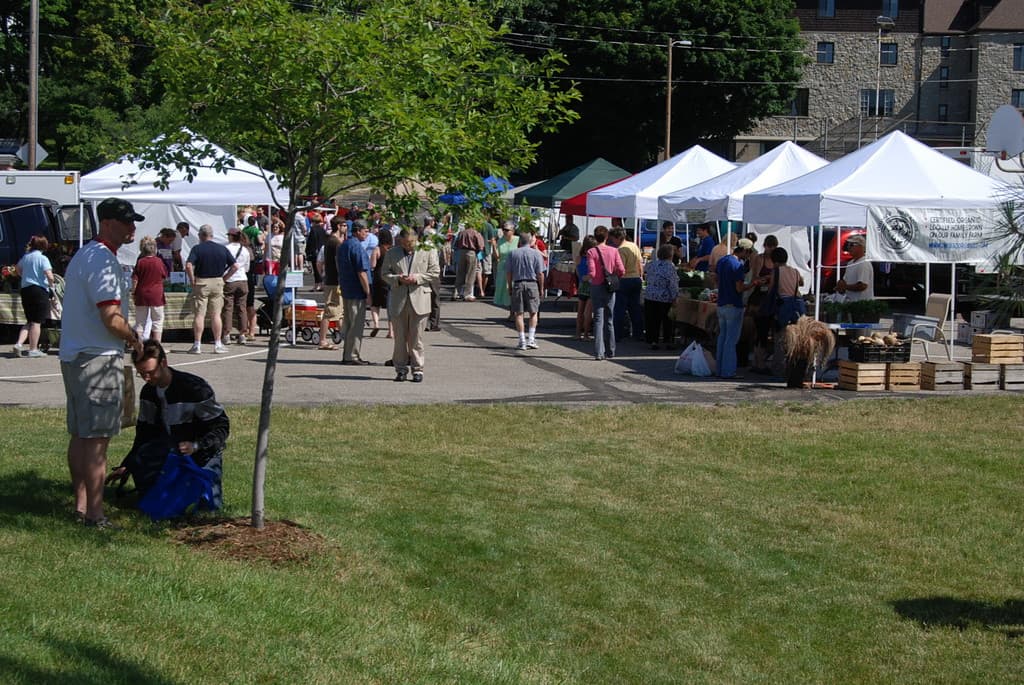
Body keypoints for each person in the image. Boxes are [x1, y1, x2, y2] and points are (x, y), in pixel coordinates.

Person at [59, 197, 145, 528]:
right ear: (106, 223)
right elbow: (111, 318)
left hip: (77, 354)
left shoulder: (85, 255)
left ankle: (81, 507)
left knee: (82, 435)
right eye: (126, 222)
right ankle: (95, 514)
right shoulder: (104, 261)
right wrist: (134, 337)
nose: (132, 228)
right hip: (97, 357)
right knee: (96, 440)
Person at [106, 340, 228, 511]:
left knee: (207, 508)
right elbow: (144, 434)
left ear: (163, 362)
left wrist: (196, 445)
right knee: (156, 505)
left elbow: (221, 426)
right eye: (141, 373)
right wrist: (128, 464)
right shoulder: (148, 392)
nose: (146, 378)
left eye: (150, 372)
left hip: (203, 453)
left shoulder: (195, 389)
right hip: (170, 452)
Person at [381, 228, 441, 382]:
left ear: (417, 239)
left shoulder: (428, 250)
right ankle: (400, 369)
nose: (409, 246)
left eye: (412, 242)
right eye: (406, 243)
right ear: (400, 240)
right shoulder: (392, 253)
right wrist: (398, 279)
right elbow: (384, 274)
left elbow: (435, 272)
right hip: (399, 299)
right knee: (400, 338)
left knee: (416, 338)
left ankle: (418, 369)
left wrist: (417, 278)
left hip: (420, 299)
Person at [185, 225, 238, 354]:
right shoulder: (222, 248)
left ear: (201, 235)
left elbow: (188, 265)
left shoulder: (197, 249)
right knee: (216, 315)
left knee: (199, 315)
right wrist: (224, 278)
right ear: (212, 235)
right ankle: (218, 343)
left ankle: (197, 344)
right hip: (217, 281)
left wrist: (192, 280)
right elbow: (235, 266)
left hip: (202, 282)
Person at [715, 238, 762, 379]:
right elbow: (739, 288)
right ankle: (728, 371)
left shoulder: (723, 261)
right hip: (733, 305)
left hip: (722, 304)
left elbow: (715, 278)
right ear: (745, 251)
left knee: (722, 338)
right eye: (748, 253)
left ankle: (720, 369)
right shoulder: (737, 265)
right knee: (731, 340)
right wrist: (754, 283)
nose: (749, 256)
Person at [585, 226, 625, 361]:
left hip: (596, 287)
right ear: (607, 236)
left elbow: (592, 273)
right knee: (609, 319)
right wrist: (614, 277)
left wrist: (586, 278)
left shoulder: (591, 252)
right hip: (610, 287)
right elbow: (621, 270)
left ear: (595, 237)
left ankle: (598, 352)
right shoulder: (614, 251)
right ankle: (611, 350)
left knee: (598, 319)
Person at [336, 219, 373, 365]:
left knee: (349, 323)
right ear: (358, 231)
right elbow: (361, 272)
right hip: (356, 291)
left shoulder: (344, 245)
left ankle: (348, 354)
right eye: (365, 230)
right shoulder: (356, 247)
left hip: (347, 288)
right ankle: (352, 356)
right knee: (356, 326)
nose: (367, 233)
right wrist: (368, 292)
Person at [12, 235, 55, 358]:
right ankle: (33, 349)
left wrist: (25, 277)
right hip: (39, 290)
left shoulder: (26, 257)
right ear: (43, 246)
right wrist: (52, 285)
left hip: (26, 289)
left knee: (29, 320)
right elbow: (49, 275)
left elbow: (17, 269)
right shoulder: (43, 258)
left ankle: (19, 344)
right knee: (37, 321)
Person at [768, 247, 806, 379]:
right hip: (796, 308)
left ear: (774, 260)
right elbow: (801, 282)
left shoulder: (776, 271)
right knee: (795, 339)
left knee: (780, 339)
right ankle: (794, 367)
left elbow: (771, 288)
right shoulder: (795, 271)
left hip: (783, 308)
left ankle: (778, 369)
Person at [505, 232, 546, 351]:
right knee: (533, 312)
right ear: (529, 241)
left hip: (518, 283)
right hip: (532, 283)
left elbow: (509, 272)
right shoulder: (536, 254)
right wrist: (541, 288)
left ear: (519, 242)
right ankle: (531, 338)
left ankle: (522, 340)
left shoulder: (512, 253)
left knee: (519, 313)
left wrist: (510, 286)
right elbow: (540, 273)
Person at [608, 226, 644, 341]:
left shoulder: (621, 250)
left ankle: (618, 334)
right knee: (635, 308)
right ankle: (638, 333)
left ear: (618, 237)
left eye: (613, 239)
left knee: (619, 308)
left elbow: (620, 269)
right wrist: (641, 276)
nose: (612, 241)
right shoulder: (634, 245)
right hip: (636, 279)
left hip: (624, 280)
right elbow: (640, 263)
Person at [749, 235, 779, 374]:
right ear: (765, 246)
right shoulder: (759, 259)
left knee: (766, 331)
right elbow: (754, 277)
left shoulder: (777, 260)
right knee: (760, 330)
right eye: (769, 246)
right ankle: (759, 362)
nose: (771, 249)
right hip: (759, 298)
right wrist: (766, 279)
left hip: (771, 298)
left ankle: (759, 361)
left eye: (773, 246)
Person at [316, 215, 346, 350]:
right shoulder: (335, 242)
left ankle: (345, 337)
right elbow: (338, 262)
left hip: (331, 279)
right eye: (344, 225)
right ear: (338, 226)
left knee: (338, 310)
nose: (346, 227)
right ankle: (322, 340)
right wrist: (342, 277)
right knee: (330, 310)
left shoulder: (330, 241)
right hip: (334, 281)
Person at [132, 236, 169, 343]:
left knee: (140, 322)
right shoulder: (159, 262)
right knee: (157, 321)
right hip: (156, 295)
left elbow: (134, 280)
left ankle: (139, 345)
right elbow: (164, 277)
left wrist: (134, 292)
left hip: (142, 294)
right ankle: (157, 345)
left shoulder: (140, 262)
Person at [643, 244, 679, 350]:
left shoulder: (651, 264)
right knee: (667, 320)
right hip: (664, 297)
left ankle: (653, 341)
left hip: (650, 295)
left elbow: (647, 276)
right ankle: (668, 341)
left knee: (652, 320)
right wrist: (675, 297)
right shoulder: (670, 266)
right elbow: (672, 283)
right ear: (670, 255)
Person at [221, 227, 251, 345]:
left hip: (230, 280)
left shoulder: (226, 248)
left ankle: (226, 334)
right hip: (243, 279)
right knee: (241, 308)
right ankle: (242, 334)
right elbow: (247, 268)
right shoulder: (245, 250)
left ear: (231, 236)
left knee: (228, 307)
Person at [369, 228, 394, 338]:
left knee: (375, 303)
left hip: (378, 278)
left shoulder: (377, 249)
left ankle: (376, 324)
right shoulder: (392, 250)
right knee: (390, 305)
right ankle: (391, 331)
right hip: (388, 278)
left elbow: (372, 265)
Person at [836, 234, 873, 301]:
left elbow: (862, 286)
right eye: (848, 245)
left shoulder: (864, 263)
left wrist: (845, 287)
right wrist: (840, 285)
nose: (848, 247)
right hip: (851, 303)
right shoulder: (850, 263)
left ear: (861, 246)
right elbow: (845, 281)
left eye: (851, 245)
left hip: (861, 304)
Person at [453, 221, 484, 301]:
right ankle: (468, 294)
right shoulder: (475, 233)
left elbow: (455, 244)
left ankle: (457, 293)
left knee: (460, 273)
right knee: (470, 274)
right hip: (471, 252)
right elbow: (481, 246)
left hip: (461, 252)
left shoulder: (461, 233)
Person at [493, 221, 518, 313]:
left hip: (514, 267)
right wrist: (494, 246)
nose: (504, 231)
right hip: (503, 267)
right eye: (503, 229)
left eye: (507, 230)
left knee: (513, 289)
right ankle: (511, 312)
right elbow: (497, 257)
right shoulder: (500, 240)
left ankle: (513, 312)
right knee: (505, 291)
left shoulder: (518, 240)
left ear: (513, 231)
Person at [575, 235, 597, 340]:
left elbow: (578, 272)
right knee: (588, 312)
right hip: (591, 284)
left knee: (580, 311)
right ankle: (586, 334)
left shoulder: (579, 257)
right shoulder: (593, 257)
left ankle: (578, 333)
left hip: (581, 285)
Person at [305, 214, 327, 291]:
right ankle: (322, 284)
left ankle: (317, 285)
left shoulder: (313, 230)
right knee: (322, 269)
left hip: (315, 251)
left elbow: (311, 242)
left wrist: (308, 251)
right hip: (322, 250)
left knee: (316, 269)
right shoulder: (323, 230)